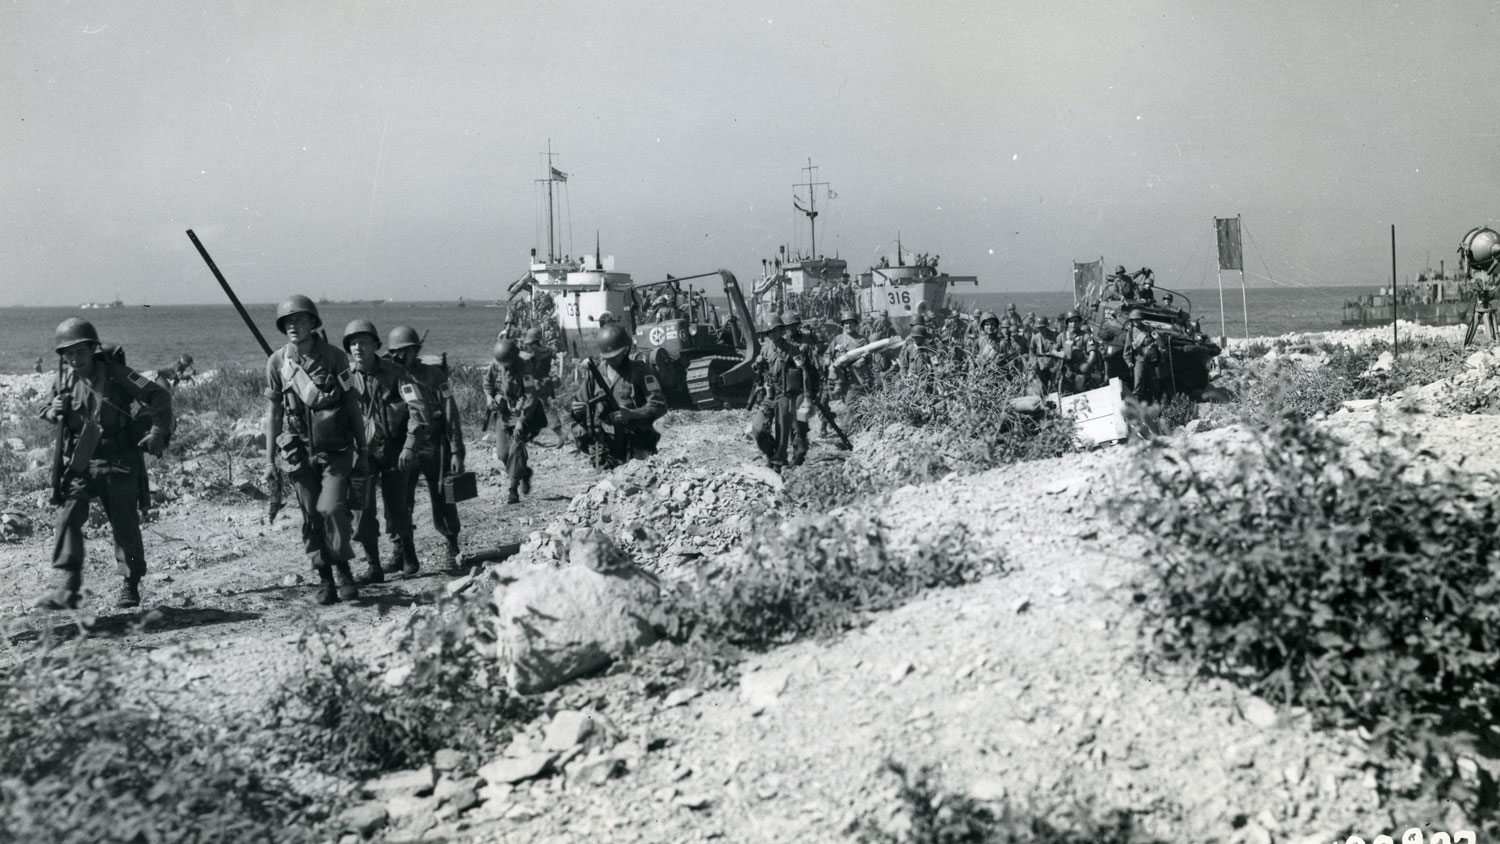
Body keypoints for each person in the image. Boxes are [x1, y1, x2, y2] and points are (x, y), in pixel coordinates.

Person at [36, 318, 173, 610]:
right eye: (68, 354)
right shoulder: (63, 381)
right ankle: (69, 583)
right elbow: (45, 409)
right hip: (80, 460)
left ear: (92, 349)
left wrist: (158, 430)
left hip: (117, 459)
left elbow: (158, 394)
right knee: (68, 515)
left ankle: (130, 583)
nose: (75, 359)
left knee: (124, 524)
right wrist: (53, 410)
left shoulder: (116, 374)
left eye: (80, 352)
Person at [264, 296, 370, 605]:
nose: (293, 325)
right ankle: (326, 579)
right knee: (311, 516)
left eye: (299, 319)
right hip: (298, 452)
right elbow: (274, 413)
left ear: (313, 322)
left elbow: (351, 404)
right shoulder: (277, 362)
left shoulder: (336, 358)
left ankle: (344, 570)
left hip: (335, 450)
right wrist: (269, 460)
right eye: (288, 321)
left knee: (332, 508)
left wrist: (363, 448)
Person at [343, 320, 429, 583]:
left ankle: (407, 554)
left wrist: (409, 446)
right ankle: (374, 567)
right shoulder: (345, 377)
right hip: (361, 454)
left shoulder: (396, 373)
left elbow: (417, 409)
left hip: (393, 451)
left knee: (398, 507)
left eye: (363, 342)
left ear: (375, 345)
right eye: (353, 343)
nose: (358, 348)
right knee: (361, 510)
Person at [386, 325, 465, 567]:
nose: (400, 356)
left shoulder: (434, 375)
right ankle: (402, 550)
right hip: (406, 446)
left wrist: (456, 450)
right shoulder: (390, 376)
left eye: (405, 351)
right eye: (395, 352)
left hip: (434, 444)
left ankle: (451, 543)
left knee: (443, 496)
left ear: (415, 350)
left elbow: (451, 412)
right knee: (401, 500)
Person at [569, 325, 667, 469]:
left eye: (616, 356)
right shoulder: (594, 375)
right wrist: (578, 411)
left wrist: (631, 414)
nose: (613, 361)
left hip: (635, 444)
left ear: (626, 350)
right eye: (608, 357)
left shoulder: (640, 371)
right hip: (605, 447)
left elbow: (659, 405)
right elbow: (578, 407)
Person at [749, 314, 820, 471]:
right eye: (769, 332)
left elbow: (803, 371)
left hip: (786, 393)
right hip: (769, 393)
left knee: (783, 429)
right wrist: (757, 364)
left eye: (775, 331)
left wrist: (807, 394)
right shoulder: (765, 348)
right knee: (758, 428)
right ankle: (771, 453)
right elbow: (758, 369)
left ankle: (779, 460)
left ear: (781, 331)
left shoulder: (792, 349)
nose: (772, 335)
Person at [484, 339, 542, 504]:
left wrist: (522, 420)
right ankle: (524, 473)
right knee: (503, 454)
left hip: (522, 413)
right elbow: (487, 383)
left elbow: (531, 397)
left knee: (516, 451)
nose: (504, 366)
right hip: (503, 414)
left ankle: (513, 489)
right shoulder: (496, 364)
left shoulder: (525, 368)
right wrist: (489, 397)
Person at [520, 326, 568, 448]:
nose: (528, 345)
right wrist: (559, 375)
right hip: (545, 383)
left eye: (529, 343)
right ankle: (530, 436)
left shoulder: (532, 353)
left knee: (540, 409)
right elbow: (561, 356)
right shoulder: (547, 350)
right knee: (540, 410)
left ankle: (559, 433)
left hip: (536, 385)